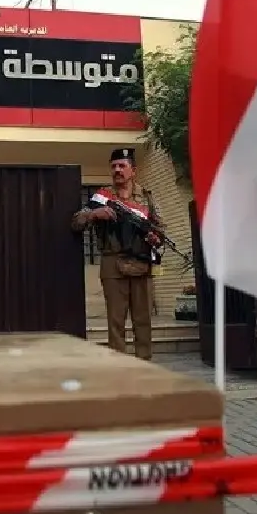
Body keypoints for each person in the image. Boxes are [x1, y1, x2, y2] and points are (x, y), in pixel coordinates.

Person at [71, 148, 162, 360]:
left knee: (143, 319)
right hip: (113, 263)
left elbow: (160, 229)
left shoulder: (147, 198)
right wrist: (94, 214)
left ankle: (144, 364)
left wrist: (155, 238)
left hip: (141, 263)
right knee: (116, 321)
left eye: (122, 165)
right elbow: (76, 222)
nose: (117, 170)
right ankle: (120, 367)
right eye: (114, 166)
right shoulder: (102, 197)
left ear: (134, 170)